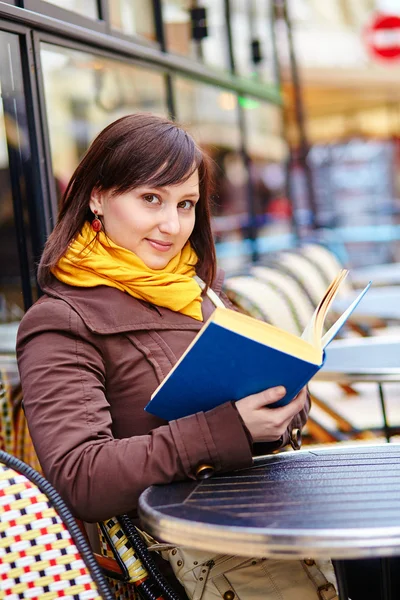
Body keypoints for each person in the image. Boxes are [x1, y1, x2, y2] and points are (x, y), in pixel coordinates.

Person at [17, 113, 317, 598]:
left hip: (270, 518)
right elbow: (80, 476)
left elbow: (264, 405)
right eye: (150, 199)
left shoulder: (197, 290)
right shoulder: (62, 321)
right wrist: (232, 428)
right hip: (200, 559)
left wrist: (287, 398)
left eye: (187, 203)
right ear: (97, 194)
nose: (171, 225)